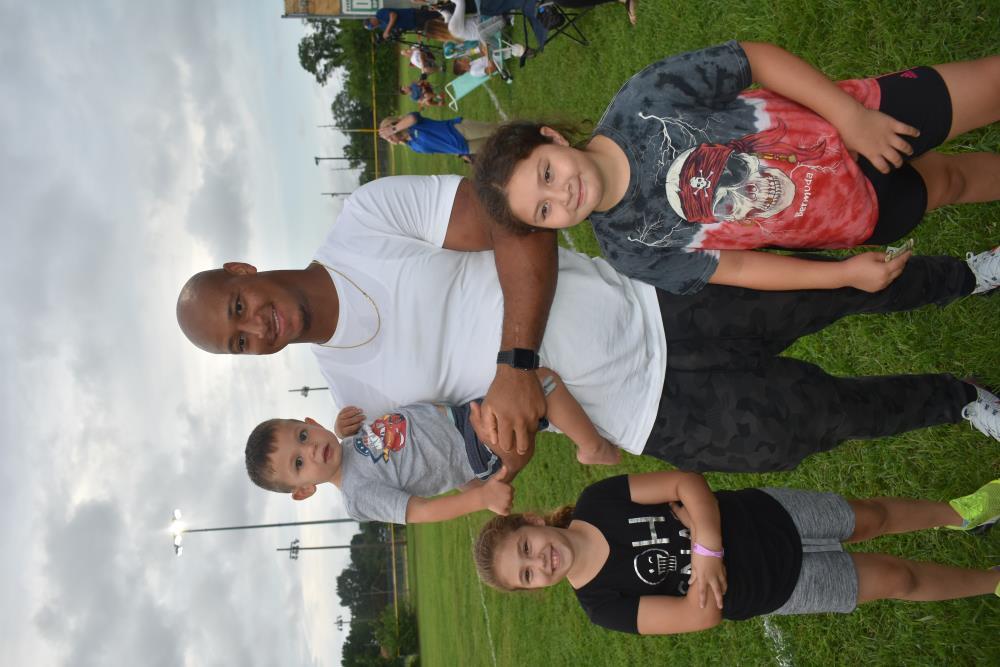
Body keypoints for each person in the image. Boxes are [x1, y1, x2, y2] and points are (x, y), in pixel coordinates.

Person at [176, 175, 1000, 474]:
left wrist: (515, 358)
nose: (259, 329)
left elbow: (517, 222)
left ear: (242, 272)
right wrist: (512, 446)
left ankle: (970, 275)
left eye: (238, 309)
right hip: (651, 415)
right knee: (826, 420)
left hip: (657, 301)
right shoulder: (355, 390)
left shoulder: (366, 220)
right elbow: (490, 429)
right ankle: (959, 396)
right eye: (241, 342)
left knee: (834, 288)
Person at [472, 41, 1000, 295]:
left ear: (553, 137)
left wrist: (851, 116)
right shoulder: (630, 248)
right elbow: (740, 269)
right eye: (544, 211)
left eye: (546, 173)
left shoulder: (644, 100)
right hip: (852, 214)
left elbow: (754, 60)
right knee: (949, 183)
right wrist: (843, 273)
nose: (562, 195)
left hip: (862, 120)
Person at [474, 472, 1000, 635]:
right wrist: (705, 543)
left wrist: (706, 550)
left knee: (869, 518)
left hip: (766, 515)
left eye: (526, 547)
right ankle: (992, 580)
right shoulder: (603, 605)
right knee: (896, 580)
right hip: (772, 586)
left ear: (535, 521)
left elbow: (687, 482)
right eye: (526, 576)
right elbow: (699, 617)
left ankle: (961, 512)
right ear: (534, 589)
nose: (539, 562)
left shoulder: (599, 501)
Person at [244, 369, 618, 524]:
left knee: (527, 393)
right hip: (473, 449)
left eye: (303, 436)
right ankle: (592, 447)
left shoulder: (349, 442)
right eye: (298, 463)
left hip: (460, 420)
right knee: (539, 382)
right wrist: (480, 498)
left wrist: (344, 431)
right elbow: (419, 511)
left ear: (310, 423)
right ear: (305, 489)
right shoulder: (358, 496)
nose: (310, 450)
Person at [379, 112, 500, 157]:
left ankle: (518, 126)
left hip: (458, 130)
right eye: (388, 139)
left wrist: (393, 129)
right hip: (463, 148)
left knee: (496, 130)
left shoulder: (412, 124)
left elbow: (412, 118)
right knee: (496, 145)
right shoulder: (413, 146)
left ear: (393, 126)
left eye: (389, 136)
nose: (390, 139)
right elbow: (440, 148)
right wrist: (460, 154)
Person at [364, 6, 438, 42]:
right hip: (412, 25)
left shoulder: (380, 13)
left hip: (413, 15)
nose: (373, 27)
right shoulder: (381, 27)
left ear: (371, 19)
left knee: (436, 15)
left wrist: (387, 31)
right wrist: (391, 36)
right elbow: (394, 29)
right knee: (435, 27)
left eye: (371, 25)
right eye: (372, 28)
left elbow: (393, 15)